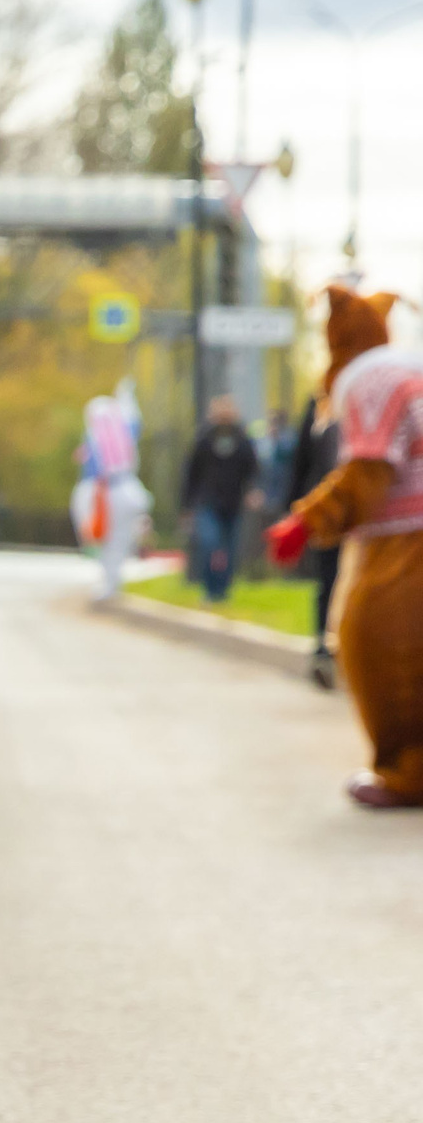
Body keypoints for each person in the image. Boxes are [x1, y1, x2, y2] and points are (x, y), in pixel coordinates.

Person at [266, 327, 423, 809]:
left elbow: (369, 469)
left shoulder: (371, 382)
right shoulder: (406, 373)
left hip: (407, 537)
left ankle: (408, 770)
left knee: (377, 642)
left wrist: (306, 520)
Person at [285, 288, 395, 689]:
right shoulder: (324, 401)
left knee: (366, 584)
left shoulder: (383, 393)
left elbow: (368, 469)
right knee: (330, 579)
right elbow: (305, 456)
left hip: (374, 514)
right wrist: (298, 507)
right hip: (334, 506)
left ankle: (348, 652)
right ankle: (324, 646)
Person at [71, 385, 152, 602]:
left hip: (109, 493)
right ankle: (112, 578)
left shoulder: (100, 435)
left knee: (110, 540)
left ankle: (111, 582)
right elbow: (136, 424)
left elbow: (94, 473)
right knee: (115, 539)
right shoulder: (124, 428)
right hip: (127, 491)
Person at [181, 395, 262, 605]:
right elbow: (191, 473)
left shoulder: (242, 439)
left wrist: (253, 490)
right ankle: (210, 588)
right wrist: (187, 505)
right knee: (210, 543)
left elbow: (253, 468)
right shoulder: (204, 439)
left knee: (230, 548)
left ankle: (223, 590)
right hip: (208, 501)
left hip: (233, 502)